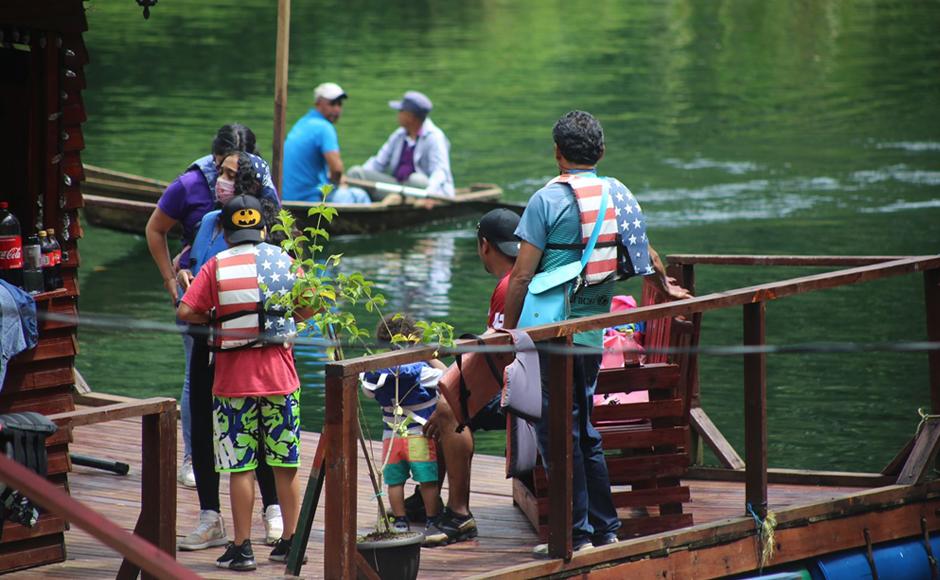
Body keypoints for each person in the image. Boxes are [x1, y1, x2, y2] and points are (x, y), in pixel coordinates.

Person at [500, 110, 691, 558]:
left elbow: (523, 276)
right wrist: (665, 285)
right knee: (584, 425)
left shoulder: (545, 201)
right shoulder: (616, 193)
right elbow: (646, 252)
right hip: (591, 327)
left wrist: (509, 329)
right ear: (600, 152)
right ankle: (605, 530)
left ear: (557, 154)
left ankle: (575, 534)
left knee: (557, 428)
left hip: (553, 329)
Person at [146, 124, 279, 491]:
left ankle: (263, 490)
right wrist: (175, 279)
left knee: (250, 393)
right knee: (197, 379)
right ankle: (196, 460)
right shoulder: (195, 196)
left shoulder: (262, 190)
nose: (222, 179)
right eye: (220, 169)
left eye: (232, 173)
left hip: (248, 314)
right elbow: (158, 230)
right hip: (202, 304)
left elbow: (278, 251)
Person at [178, 194, 307, 571]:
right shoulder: (284, 260)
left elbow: (187, 310)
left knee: (240, 465)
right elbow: (311, 305)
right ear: (264, 228)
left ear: (225, 230)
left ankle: (242, 547)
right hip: (281, 377)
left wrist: (220, 317)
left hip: (233, 380)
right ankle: (290, 543)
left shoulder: (216, 265)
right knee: (285, 464)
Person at [420, 208, 520, 546]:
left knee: (449, 411)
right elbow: (498, 339)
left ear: (485, 246)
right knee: (446, 391)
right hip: (528, 375)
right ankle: (428, 498)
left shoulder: (509, 287)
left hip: (521, 386)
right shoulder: (518, 278)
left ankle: (459, 514)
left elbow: (498, 354)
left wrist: (452, 387)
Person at [360, 315, 446, 541]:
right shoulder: (422, 371)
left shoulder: (375, 373)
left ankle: (399, 521)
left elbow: (368, 392)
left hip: (391, 438)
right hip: (418, 436)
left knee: (394, 481)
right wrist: (431, 357)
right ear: (414, 342)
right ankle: (432, 521)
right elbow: (447, 377)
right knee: (427, 480)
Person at [348, 90, 455, 198]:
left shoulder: (435, 137)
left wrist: (430, 195)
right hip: (398, 188)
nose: (398, 114)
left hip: (423, 191)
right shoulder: (399, 135)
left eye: (401, 111)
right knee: (355, 174)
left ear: (410, 117)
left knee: (417, 180)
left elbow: (440, 172)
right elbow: (378, 163)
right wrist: (350, 180)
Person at [282, 82, 359, 202]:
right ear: (318, 103)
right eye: (332, 104)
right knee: (360, 195)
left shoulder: (302, 122)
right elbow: (337, 169)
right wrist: (336, 184)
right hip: (310, 198)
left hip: (287, 197)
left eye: (339, 104)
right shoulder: (324, 128)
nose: (337, 109)